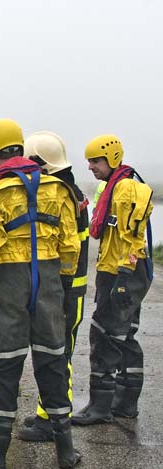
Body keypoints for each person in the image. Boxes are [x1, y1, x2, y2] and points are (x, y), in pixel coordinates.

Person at [0, 118, 81, 469]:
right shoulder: (59, 190)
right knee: (52, 364)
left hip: (8, 290)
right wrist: (61, 286)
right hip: (47, 286)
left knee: (4, 367)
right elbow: (70, 246)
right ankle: (65, 450)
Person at [72, 134, 154, 425]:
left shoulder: (126, 189)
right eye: (89, 162)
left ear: (112, 158)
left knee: (104, 335)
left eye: (95, 161)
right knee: (125, 335)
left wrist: (123, 277)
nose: (91, 167)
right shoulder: (112, 186)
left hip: (123, 273)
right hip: (115, 270)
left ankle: (101, 407)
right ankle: (125, 403)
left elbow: (135, 237)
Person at [18, 131, 90, 441]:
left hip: (66, 289)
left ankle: (53, 422)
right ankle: (46, 414)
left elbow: (65, 250)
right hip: (70, 288)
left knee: (59, 357)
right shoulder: (70, 191)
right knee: (55, 354)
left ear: (40, 164)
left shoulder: (62, 195)